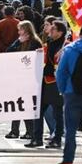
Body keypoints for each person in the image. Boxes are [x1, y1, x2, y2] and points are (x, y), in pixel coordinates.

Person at [55, 16, 82, 164]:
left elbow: (61, 72)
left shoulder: (69, 49)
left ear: (80, 34)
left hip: (72, 92)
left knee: (71, 128)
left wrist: (63, 90)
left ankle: (68, 159)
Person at [27, 20, 66, 149]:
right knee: (37, 111)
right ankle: (37, 138)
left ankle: (57, 139)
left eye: (53, 29)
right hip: (44, 81)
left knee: (57, 112)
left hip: (56, 83)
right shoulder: (49, 43)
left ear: (60, 32)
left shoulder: (64, 46)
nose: (50, 30)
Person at [5, 21, 42, 139]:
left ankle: (30, 131)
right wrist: (17, 42)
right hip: (18, 76)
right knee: (16, 104)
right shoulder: (20, 41)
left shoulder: (35, 42)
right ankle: (14, 130)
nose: (18, 32)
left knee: (26, 105)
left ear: (26, 30)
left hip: (29, 78)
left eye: (20, 29)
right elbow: (8, 52)